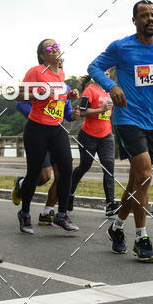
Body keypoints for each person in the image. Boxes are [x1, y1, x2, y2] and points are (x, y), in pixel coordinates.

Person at [88, 1, 153, 261]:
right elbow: (94, 67)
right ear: (135, 20)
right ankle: (142, 238)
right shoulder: (122, 47)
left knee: (136, 182)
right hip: (127, 119)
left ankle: (117, 226)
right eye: (144, 15)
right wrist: (111, 86)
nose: (150, 19)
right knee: (144, 175)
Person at [16, 39, 80, 234]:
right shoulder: (35, 71)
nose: (56, 50)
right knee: (35, 173)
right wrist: (40, 93)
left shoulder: (61, 73)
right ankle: (25, 213)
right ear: (43, 56)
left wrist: (68, 97)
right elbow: (19, 95)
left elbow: (56, 99)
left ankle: (61, 215)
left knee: (67, 170)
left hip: (57, 128)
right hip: (37, 128)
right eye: (50, 48)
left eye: (57, 47)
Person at [11, 96, 79, 225]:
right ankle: (22, 183)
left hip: (58, 135)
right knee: (44, 176)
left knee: (62, 174)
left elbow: (67, 114)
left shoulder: (64, 87)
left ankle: (47, 212)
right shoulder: (40, 83)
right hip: (40, 133)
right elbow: (20, 103)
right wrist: (40, 115)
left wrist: (73, 115)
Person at [68, 74, 117, 217]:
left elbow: (110, 112)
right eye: (103, 71)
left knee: (109, 168)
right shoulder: (90, 90)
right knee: (84, 166)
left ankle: (110, 204)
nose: (106, 74)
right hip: (88, 136)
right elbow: (82, 112)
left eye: (108, 72)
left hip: (106, 135)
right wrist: (100, 110)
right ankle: (69, 194)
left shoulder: (109, 90)